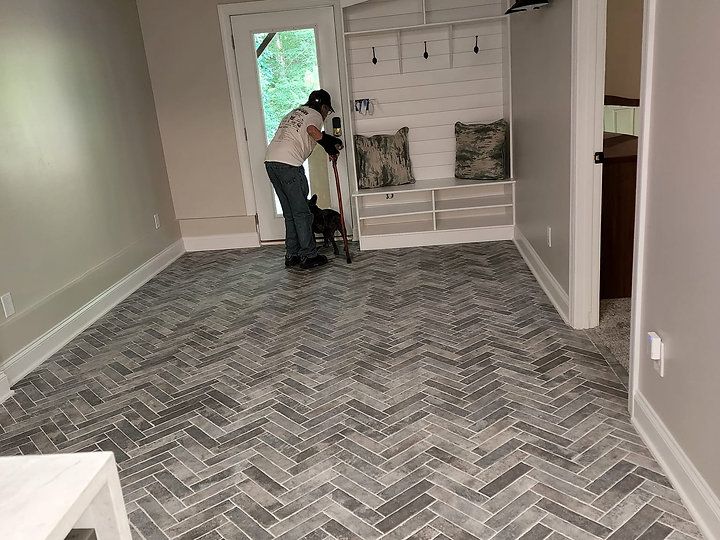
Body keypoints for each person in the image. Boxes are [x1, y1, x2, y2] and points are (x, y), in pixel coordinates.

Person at [264, 89, 344, 269]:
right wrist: (330, 147)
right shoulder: (314, 114)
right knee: (302, 213)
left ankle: (292, 255)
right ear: (323, 107)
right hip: (289, 165)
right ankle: (308, 256)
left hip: (271, 162)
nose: (326, 115)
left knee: (290, 213)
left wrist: (329, 145)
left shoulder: (294, 112)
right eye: (327, 110)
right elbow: (312, 130)